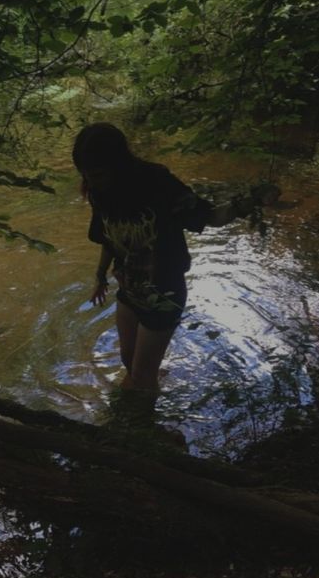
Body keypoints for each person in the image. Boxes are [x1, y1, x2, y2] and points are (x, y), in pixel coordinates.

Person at [73, 122, 267, 396]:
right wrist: (100, 277)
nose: (92, 182)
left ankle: (144, 429)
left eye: (98, 174)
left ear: (119, 164)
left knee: (141, 377)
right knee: (129, 364)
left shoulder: (157, 184)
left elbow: (209, 216)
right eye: (86, 175)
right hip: (129, 290)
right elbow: (108, 238)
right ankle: (148, 389)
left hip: (164, 295)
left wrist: (246, 203)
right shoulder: (99, 192)